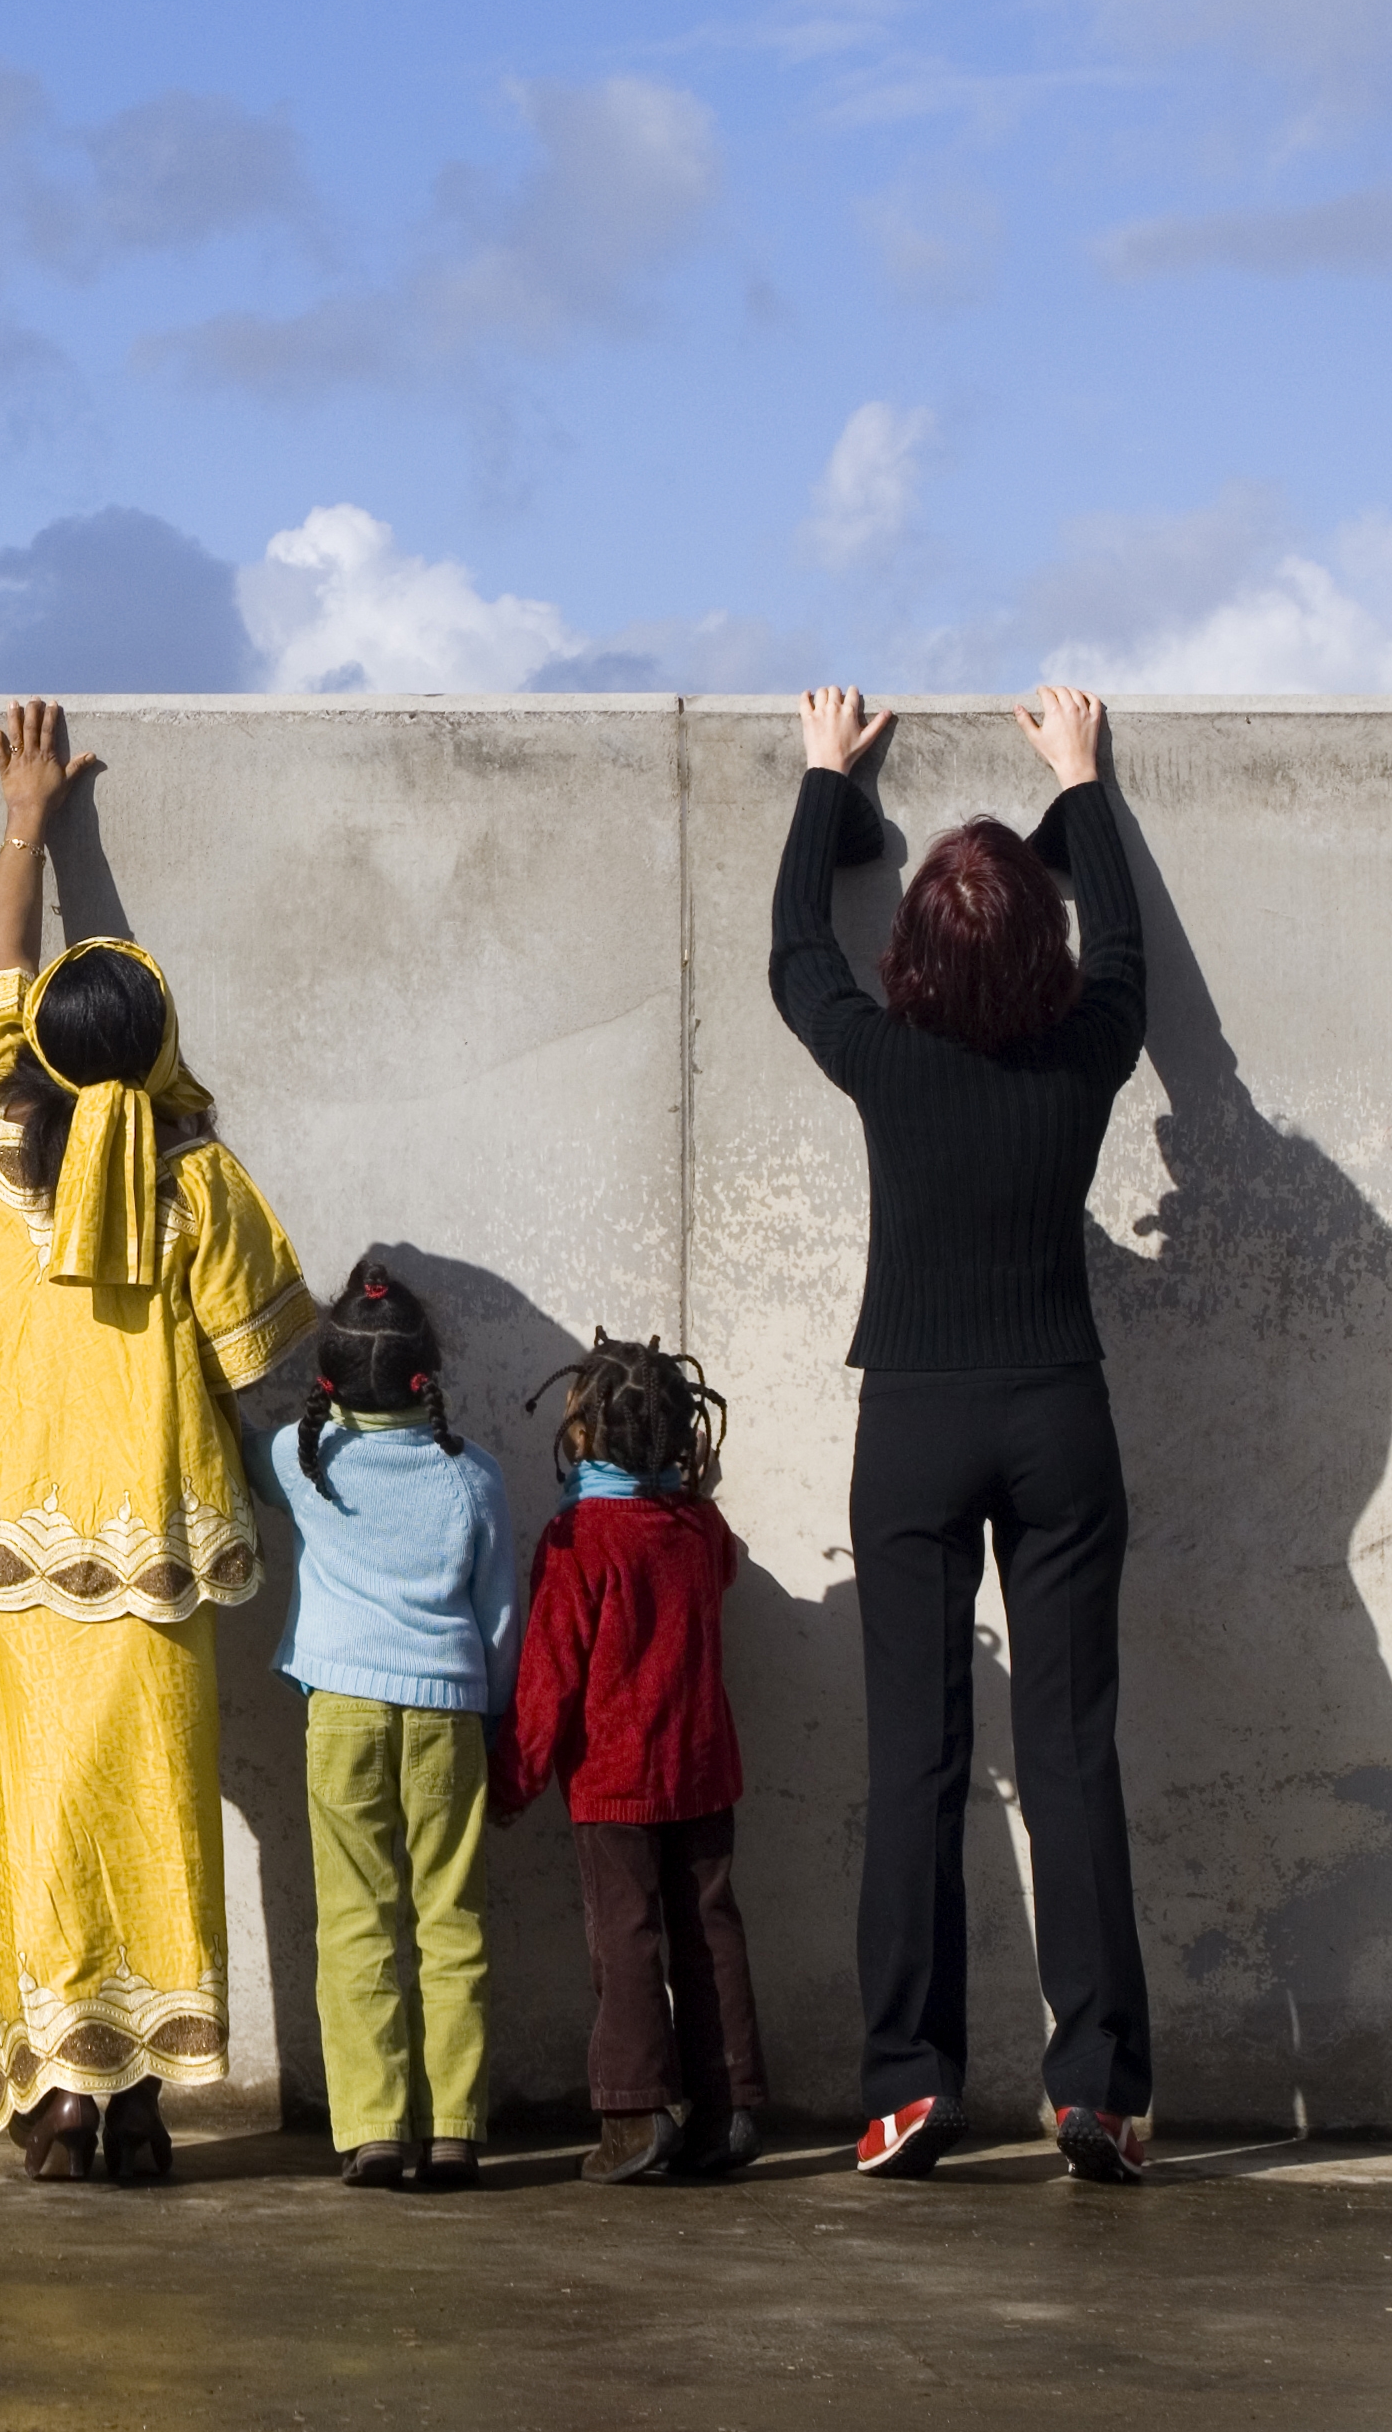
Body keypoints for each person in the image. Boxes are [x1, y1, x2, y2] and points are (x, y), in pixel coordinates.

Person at [0, 699, 317, 2186]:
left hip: (21, 1567)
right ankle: (139, 2105)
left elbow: (3, 965)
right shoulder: (201, 1188)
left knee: (34, 1818)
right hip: (156, 1563)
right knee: (154, 1813)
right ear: (158, 1048)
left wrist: (27, 818)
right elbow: (273, 1374)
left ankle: (57, 2096)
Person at [772, 682, 1157, 2186]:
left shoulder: (882, 1060)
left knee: (917, 1762)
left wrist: (822, 777)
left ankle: (905, 2087)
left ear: (916, 955)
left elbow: (795, 953)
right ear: (1041, 953)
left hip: (915, 1429)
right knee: (1072, 1759)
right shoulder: (1089, 1054)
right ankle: (1100, 2096)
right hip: (1062, 1417)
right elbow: (1119, 946)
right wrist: (1080, 782)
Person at [250, 1254, 513, 2194]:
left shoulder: (300, 1457)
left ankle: (371, 2128)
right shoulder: (475, 1479)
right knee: (453, 1922)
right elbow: (499, 1622)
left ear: (326, 1379)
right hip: (450, 1714)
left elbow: (238, 1445)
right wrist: (498, 1714)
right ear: (426, 1372)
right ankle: (453, 2131)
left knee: (357, 1918)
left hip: (343, 1715)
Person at [497, 1332, 764, 2187]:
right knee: (710, 1930)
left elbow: (548, 1674)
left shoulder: (580, 1536)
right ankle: (729, 2109)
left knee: (626, 1938)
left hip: (614, 1784)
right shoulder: (697, 1527)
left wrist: (513, 1779)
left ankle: (633, 2112)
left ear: (584, 1435)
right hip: (702, 1770)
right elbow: (724, 1569)